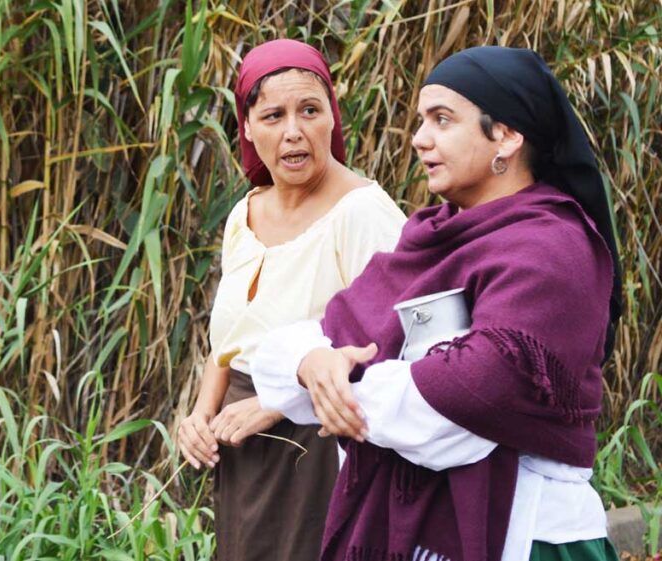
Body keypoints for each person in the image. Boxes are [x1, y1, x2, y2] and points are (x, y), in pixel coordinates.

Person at [251, 47, 623, 560]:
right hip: (418, 537)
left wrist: (338, 385)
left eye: (442, 120)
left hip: (530, 537)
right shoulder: (429, 238)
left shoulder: (553, 250)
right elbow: (279, 358)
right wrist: (312, 362)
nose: (420, 139)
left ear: (508, 135)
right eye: (422, 120)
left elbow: (463, 406)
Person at [175, 39, 406, 561]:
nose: (293, 131)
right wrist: (200, 416)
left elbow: (398, 343)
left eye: (309, 110)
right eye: (273, 115)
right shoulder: (245, 213)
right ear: (248, 129)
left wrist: (280, 402)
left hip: (321, 443)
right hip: (241, 442)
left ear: (332, 118)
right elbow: (229, 343)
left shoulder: (361, 211)